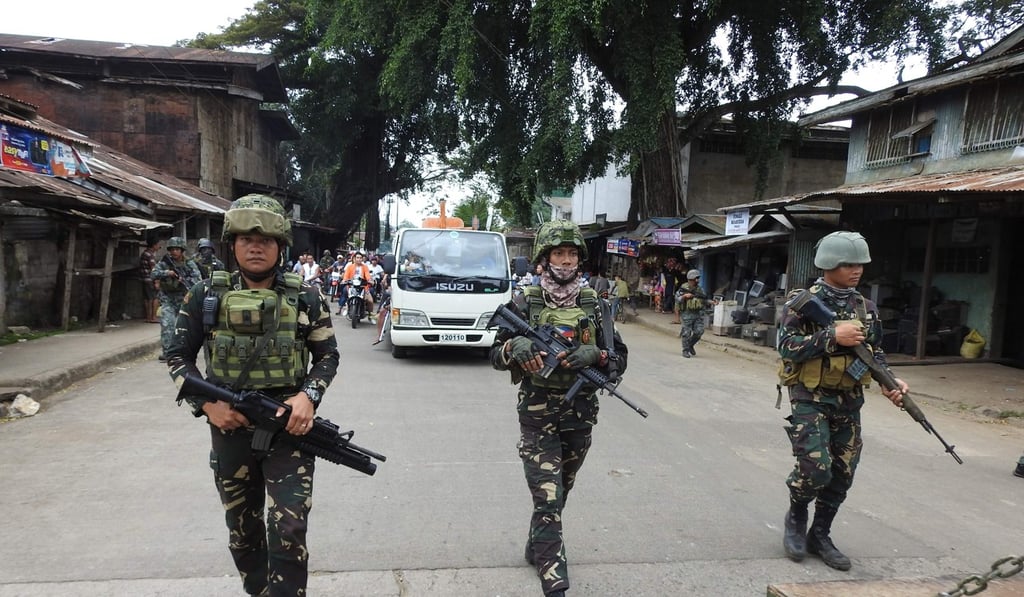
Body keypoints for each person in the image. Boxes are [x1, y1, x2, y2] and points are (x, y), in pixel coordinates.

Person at [166, 194, 339, 597]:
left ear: (281, 245)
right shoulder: (205, 296)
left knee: (290, 528)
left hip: (289, 430)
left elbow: (327, 356)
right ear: (233, 244)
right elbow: (177, 358)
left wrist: (308, 397)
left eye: (264, 239)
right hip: (230, 433)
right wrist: (208, 405)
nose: (255, 245)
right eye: (245, 238)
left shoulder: (306, 298)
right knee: (243, 534)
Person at [490, 219, 628, 597]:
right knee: (547, 496)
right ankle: (555, 578)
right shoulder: (525, 302)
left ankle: (538, 543)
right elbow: (495, 354)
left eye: (571, 254)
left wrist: (597, 354)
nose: (565, 261)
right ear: (544, 258)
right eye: (558, 253)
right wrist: (512, 348)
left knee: (561, 491)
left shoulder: (596, 306)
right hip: (537, 415)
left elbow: (619, 360)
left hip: (579, 416)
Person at [778, 231, 908, 572]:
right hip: (810, 398)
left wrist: (890, 382)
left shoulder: (865, 307)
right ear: (829, 264)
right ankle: (796, 518)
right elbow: (786, 346)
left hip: (849, 399)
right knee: (815, 468)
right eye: (849, 264)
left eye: (860, 264)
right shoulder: (803, 301)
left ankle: (820, 535)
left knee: (842, 473)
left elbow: (874, 352)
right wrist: (830, 335)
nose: (857, 270)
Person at [151, 236, 202, 361]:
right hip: (168, 298)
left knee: (185, 326)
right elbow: (153, 274)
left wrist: (184, 280)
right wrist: (166, 273)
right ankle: (168, 352)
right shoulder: (164, 263)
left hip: (183, 299)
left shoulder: (189, 263)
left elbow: (197, 279)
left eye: (177, 249)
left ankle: (184, 350)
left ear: (182, 250)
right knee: (167, 324)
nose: (174, 252)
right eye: (172, 249)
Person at [676, 269, 713, 358]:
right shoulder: (684, 288)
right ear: (690, 279)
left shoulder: (699, 289)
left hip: (697, 313)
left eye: (698, 278)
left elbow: (703, 300)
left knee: (699, 331)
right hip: (687, 313)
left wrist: (711, 302)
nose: (697, 280)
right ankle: (685, 350)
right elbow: (677, 298)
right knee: (686, 333)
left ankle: (690, 345)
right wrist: (684, 296)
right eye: (695, 278)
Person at [340, 250, 375, 319]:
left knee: (370, 301)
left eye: (360, 258)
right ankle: (347, 307)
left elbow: (367, 275)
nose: (359, 259)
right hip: (351, 286)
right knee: (346, 294)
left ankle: (370, 316)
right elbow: (346, 276)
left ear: (362, 259)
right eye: (357, 258)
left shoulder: (365, 267)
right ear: (354, 259)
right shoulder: (350, 267)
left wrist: (370, 280)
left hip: (363, 287)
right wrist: (344, 280)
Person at [139, 239, 160, 323]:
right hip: (150, 279)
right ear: (154, 245)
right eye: (158, 245)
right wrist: (157, 282)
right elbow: (154, 269)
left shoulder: (144, 253)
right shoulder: (150, 255)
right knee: (155, 297)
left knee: (147, 298)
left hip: (144, 278)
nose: (159, 247)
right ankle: (153, 317)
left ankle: (148, 317)